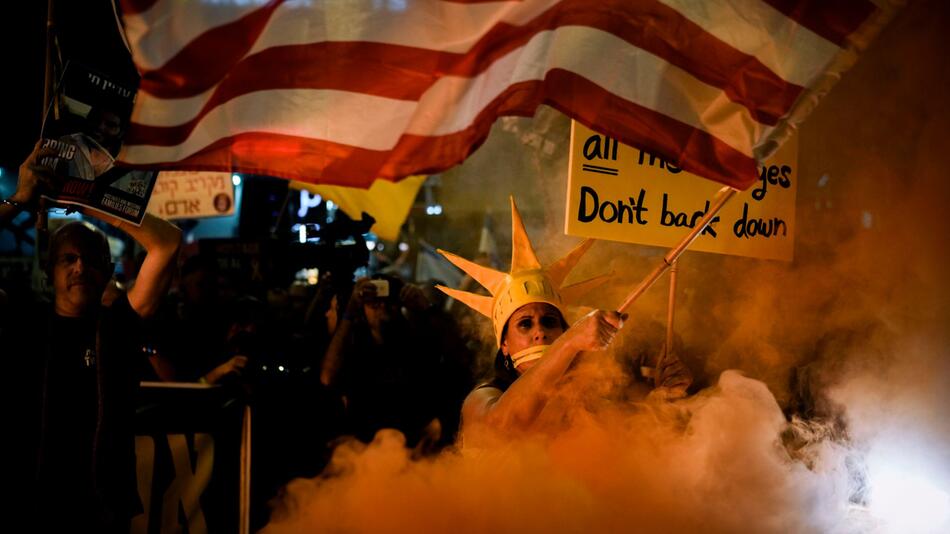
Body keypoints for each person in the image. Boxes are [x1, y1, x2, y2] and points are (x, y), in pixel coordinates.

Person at [2, 142, 181, 532]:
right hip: (30, 500)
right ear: (50, 270)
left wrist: (87, 199)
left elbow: (167, 242)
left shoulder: (118, 324)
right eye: (69, 258)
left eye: (91, 258)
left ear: (108, 268)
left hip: (102, 508)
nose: (80, 266)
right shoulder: (23, 324)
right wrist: (18, 200)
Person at [436, 198, 692, 441]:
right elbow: (501, 428)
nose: (540, 332)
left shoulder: (587, 403)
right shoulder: (483, 398)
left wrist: (666, 400)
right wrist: (569, 343)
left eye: (549, 322)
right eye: (525, 324)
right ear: (504, 344)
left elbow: (650, 443)